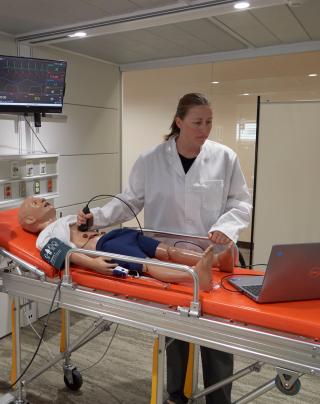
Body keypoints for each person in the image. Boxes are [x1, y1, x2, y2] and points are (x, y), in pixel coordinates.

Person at [77, 93, 252, 404]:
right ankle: (176, 395)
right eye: (197, 122)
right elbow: (129, 201)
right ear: (179, 121)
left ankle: (219, 399)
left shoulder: (225, 158)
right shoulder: (151, 160)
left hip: (211, 256)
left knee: (218, 337)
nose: (204, 128)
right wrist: (96, 220)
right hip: (169, 261)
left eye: (209, 122)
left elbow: (240, 204)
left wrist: (226, 227)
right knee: (176, 332)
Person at [18, 196, 237, 290]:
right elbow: (66, 254)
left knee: (166, 250)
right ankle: (196, 276)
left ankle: (217, 261)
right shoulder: (44, 237)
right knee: (148, 264)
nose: (42, 200)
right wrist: (93, 265)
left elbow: (87, 225)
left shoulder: (63, 220)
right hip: (106, 247)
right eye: (35, 203)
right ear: (29, 219)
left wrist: (87, 220)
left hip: (119, 235)